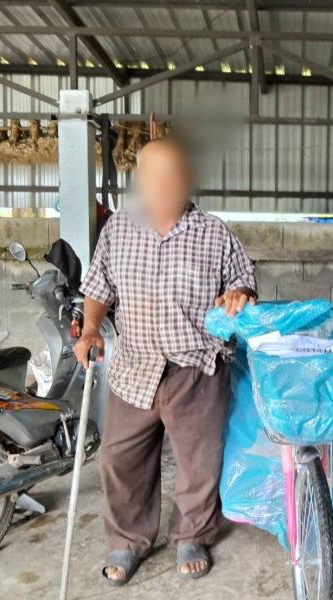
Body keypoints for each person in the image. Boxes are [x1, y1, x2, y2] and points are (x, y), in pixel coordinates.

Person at [74, 137, 257, 586]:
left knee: (200, 462)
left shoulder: (214, 233)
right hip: (135, 366)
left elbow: (244, 285)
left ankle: (192, 535)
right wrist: (92, 327)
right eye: (153, 174)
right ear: (139, 178)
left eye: (173, 174)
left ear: (189, 179)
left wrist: (238, 295)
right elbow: (97, 288)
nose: (163, 183)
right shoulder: (118, 228)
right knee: (120, 459)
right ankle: (127, 540)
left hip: (196, 367)